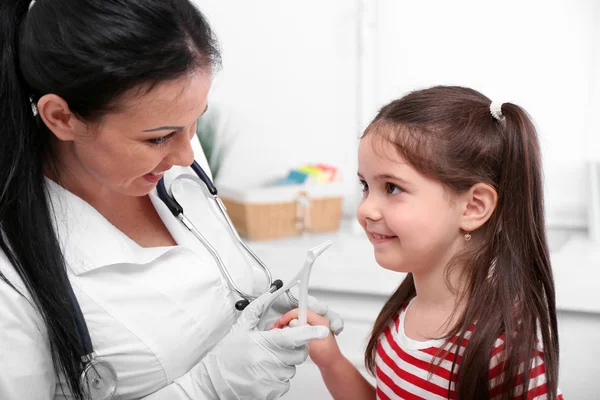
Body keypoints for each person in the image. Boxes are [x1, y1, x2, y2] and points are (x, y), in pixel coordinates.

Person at [0, 1, 343, 399]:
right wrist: (208, 387)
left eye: (196, 121)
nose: (186, 156)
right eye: (158, 137)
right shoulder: (11, 273)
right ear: (61, 117)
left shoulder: (174, 155)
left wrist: (260, 315)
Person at [275, 86, 563, 399]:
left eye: (392, 188)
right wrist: (330, 360)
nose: (365, 210)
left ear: (473, 207)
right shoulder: (404, 310)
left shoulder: (503, 349)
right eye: (365, 186)